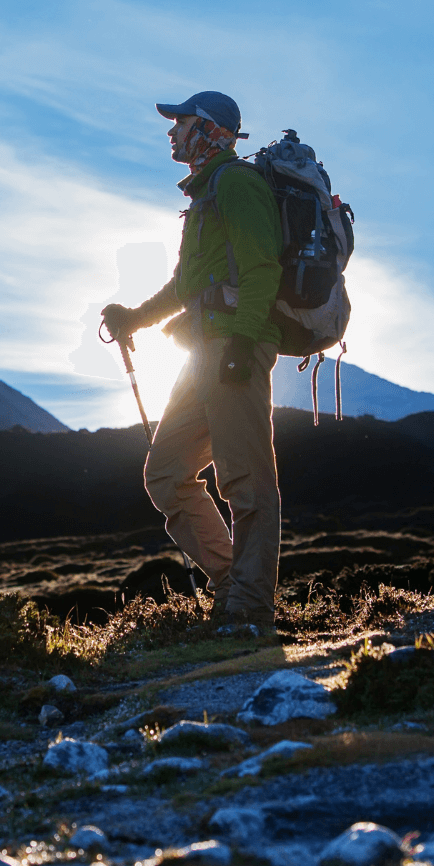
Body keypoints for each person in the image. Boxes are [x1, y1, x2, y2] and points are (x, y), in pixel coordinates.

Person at [101, 91, 283, 633]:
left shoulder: (238, 185)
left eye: (179, 122)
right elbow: (185, 287)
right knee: (166, 474)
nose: (171, 131)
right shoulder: (206, 196)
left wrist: (243, 346)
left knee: (245, 479)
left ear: (207, 130)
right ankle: (231, 586)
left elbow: (262, 270)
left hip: (233, 347)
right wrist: (133, 318)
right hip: (204, 351)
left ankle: (251, 607)